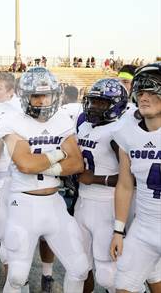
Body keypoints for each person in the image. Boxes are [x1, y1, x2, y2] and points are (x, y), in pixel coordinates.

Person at [0, 67, 88, 292]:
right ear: (25, 96)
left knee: (80, 268)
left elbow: (76, 163)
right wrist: (58, 155)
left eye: (46, 95)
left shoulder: (61, 118)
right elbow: (25, 164)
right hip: (23, 204)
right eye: (36, 95)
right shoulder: (11, 119)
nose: (42, 101)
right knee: (17, 276)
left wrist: (42, 162)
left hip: (54, 203)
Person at [110, 62, 161, 293]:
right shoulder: (127, 132)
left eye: (152, 92)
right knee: (123, 286)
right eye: (141, 92)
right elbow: (125, 185)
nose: (144, 97)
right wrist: (118, 230)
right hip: (144, 226)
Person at [75, 79, 128, 293]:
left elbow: (129, 178)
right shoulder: (84, 125)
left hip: (107, 205)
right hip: (82, 202)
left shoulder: (118, 131)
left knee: (107, 275)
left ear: (116, 105)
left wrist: (97, 179)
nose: (95, 107)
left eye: (101, 103)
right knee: (80, 267)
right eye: (93, 102)